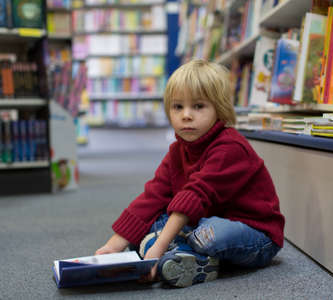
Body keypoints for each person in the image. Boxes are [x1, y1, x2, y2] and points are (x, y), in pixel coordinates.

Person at [95, 59, 285, 288]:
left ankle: (174, 251)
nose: (186, 115)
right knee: (155, 219)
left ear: (219, 108)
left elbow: (195, 195)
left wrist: (158, 246)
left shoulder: (231, 147)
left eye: (198, 106)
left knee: (210, 234)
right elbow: (153, 196)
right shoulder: (178, 150)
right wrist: (113, 246)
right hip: (201, 222)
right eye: (178, 107)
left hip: (254, 233)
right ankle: (184, 259)